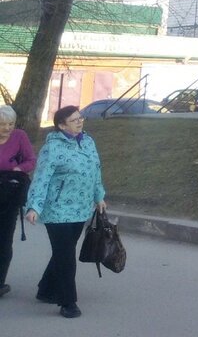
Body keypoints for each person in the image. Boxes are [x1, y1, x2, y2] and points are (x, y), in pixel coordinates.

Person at [25, 105, 106, 319]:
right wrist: (34, 206)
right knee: (66, 255)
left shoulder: (88, 142)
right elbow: (41, 178)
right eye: (74, 120)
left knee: (64, 250)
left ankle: (45, 289)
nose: (80, 122)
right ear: (62, 126)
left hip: (81, 208)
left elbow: (95, 170)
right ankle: (68, 301)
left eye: (80, 118)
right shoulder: (52, 148)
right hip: (57, 209)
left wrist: (99, 196)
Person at [0, 104, 36, 298]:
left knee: (4, 240)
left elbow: (30, 160)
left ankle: (0, 282)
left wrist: (18, 169)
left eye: (11, 124)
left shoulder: (19, 136)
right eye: (2, 124)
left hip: (10, 194)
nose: (7, 128)